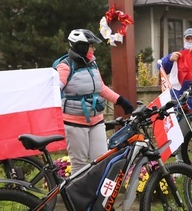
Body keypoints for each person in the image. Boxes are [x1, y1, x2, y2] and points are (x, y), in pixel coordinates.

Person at [56, 29, 135, 173]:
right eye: (91, 45)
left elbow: (101, 88)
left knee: (101, 160)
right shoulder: (65, 66)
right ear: (81, 46)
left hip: (96, 120)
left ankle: (96, 195)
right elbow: (54, 91)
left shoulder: (92, 64)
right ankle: (76, 194)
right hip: (74, 123)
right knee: (79, 164)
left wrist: (122, 101)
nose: (94, 48)